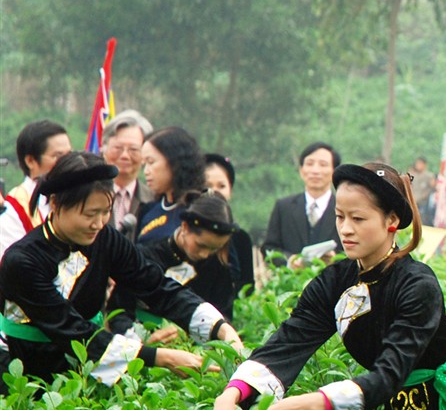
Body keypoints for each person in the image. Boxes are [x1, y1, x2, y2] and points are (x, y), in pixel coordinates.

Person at [205, 162, 446, 410]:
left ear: (392, 221)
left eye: (358, 218)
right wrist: (229, 396)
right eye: (340, 216)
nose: (346, 229)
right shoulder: (335, 281)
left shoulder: (417, 285)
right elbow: (288, 343)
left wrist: (312, 402)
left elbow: (390, 372)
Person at [0, 153, 243, 388]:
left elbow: (155, 284)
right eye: (89, 214)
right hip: (23, 376)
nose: (98, 223)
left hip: (83, 372)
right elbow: (72, 331)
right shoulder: (22, 261)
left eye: (105, 212)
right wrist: (162, 358)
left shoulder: (104, 238)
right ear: (55, 203)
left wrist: (219, 327)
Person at [108, 191, 240, 339]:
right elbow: (118, 312)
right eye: (200, 245)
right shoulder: (146, 257)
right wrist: (142, 341)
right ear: (185, 227)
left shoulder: (218, 269)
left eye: (214, 249)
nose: (205, 254)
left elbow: (224, 317)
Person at [0, 120, 72, 261]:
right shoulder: (13, 209)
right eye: (58, 156)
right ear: (30, 161)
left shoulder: (75, 195)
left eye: (69, 154)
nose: (68, 162)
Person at [262, 142, 341, 267]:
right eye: (309, 164)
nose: (315, 170)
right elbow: (269, 248)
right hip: (292, 284)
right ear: (301, 170)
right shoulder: (283, 207)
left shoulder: (344, 209)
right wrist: (289, 261)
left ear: (335, 171)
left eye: (323, 164)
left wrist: (335, 260)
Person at [136, 127, 207, 244]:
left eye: (151, 162)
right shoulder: (147, 210)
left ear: (175, 162)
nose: (146, 171)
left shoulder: (200, 211)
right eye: (144, 165)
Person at [205, 153, 255, 297]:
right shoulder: (186, 232)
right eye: (207, 186)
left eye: (221, 186)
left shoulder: (241, 238)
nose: (214, 192)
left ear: (230, 191)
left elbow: (247, 289)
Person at [101, 110, 155, 234]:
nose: (125, 155)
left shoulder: (153, 199)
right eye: (118, 148)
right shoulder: (87, 194)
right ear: (104, 149)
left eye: (133, 149)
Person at [408, 156, 436, 226]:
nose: (418, 165)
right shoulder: (412, 175)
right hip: (412, 201)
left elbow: (434, 186)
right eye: (417, 163)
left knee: (421, 222)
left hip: (423, 204)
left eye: (420, 163)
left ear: (424, 165)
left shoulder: (429, 176)